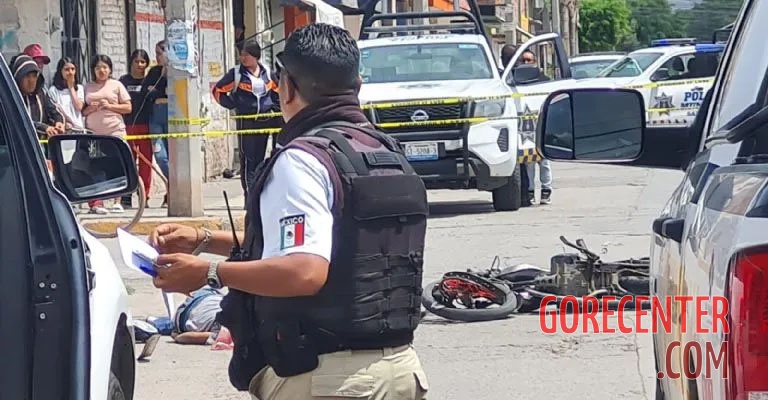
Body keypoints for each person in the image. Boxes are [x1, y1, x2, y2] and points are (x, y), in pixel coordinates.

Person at [149, 23, 429, 400]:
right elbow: (331, 244)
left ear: (287, 87)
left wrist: (210, 272)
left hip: (326, 379)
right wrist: (204, 240)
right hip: (400, 372)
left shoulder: (303, 160)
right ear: (357, 86)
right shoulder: (385, 153)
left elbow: (304, 270)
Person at [212, 42, 281, 202]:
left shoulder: (267, 73)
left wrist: (274, 108)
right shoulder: (236, 74)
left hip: (265, 121)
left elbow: (278, 92)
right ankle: (248, 196)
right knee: (248, 158)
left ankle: (258, 193)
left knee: (260, 158)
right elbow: (218, 91)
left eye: (246, 55)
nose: (243, 58)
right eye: (241, 54)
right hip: (246, 122)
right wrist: (234, 105)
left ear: (256, 56)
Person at [83, 54, 132, 214]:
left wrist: (110, 106)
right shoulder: (87, 87)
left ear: (110, 69)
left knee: (117, 164)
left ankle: (118, 200)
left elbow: (128, 108)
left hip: (115, 131)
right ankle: (99, 201)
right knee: (96, 166)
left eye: (105, 67)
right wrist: (91, 108)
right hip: (93, 134)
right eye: (98, 68)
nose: (101, 71)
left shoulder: (116, 85)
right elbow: (81, 111)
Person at [119, 49, 154, 208]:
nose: (139, 65)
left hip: (146, 125)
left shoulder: (149, 81)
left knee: (146, 164)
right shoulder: (123, 81)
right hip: (127, 126)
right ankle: (126, 195)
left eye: (143, 62)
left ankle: (144, 195)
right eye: (136, 61)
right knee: (128, 161)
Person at [11, 55, 64, 140]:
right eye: (27, 76)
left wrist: (59, 122)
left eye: (34, 76)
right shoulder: (12, 98)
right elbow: (19, 121)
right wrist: (43, 128)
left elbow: (55, 111)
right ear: (18, 78)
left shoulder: (41, 94)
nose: (31, 80)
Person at [144, 40, 170, 207]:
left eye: (160, 53)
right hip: (155, 115)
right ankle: (172, 182)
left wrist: (158, 91)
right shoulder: (154, 72)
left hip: (171, 114)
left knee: (174, 155)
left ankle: (172, 190)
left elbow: (170, 92)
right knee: (160, 154)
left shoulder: (175, 72)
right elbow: (147, 90)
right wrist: (158, 93)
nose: (157, 57)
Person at [48, 57, 85, 132]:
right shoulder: (54, 90)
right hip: (64, 129)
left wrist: (71, 87)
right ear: (60, 71)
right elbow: (55, 111)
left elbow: (79, 107)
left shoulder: (79, 88)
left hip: (79, 129)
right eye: (67, 70)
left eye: (72, 69)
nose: (70, 72)